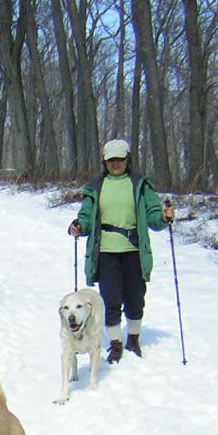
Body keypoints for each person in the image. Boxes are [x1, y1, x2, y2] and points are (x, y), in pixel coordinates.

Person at [68, 138, 174, 364]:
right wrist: (79, 226)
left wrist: (164, 218)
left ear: (128, 160)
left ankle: (133, 339)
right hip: (106, 251)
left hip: (134, 249)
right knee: (111, 298)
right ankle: (115, 344)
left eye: (120, 159)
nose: (115, 164)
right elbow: (86, 216)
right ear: (104, 162)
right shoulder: (95, 186)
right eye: (111, 160)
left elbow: (154, 215)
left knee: (136, 298)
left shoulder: (140, 185)